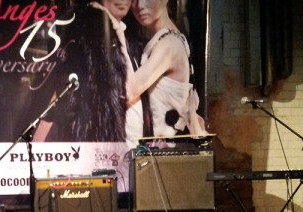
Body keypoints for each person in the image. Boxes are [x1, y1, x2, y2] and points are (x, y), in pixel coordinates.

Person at [33, 0, 143, 145]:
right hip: (101, 145)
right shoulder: (88, 31)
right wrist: (37, 143)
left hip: (126, 140)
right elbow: (61, 88)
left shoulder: (130, 37)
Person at [103, 0, 207, 143]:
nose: (140, 6)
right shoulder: (167, 38)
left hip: (162, 149)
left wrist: (117, 30)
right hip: (155, 146)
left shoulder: (169, 44)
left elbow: (128, 91)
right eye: (134, 0)